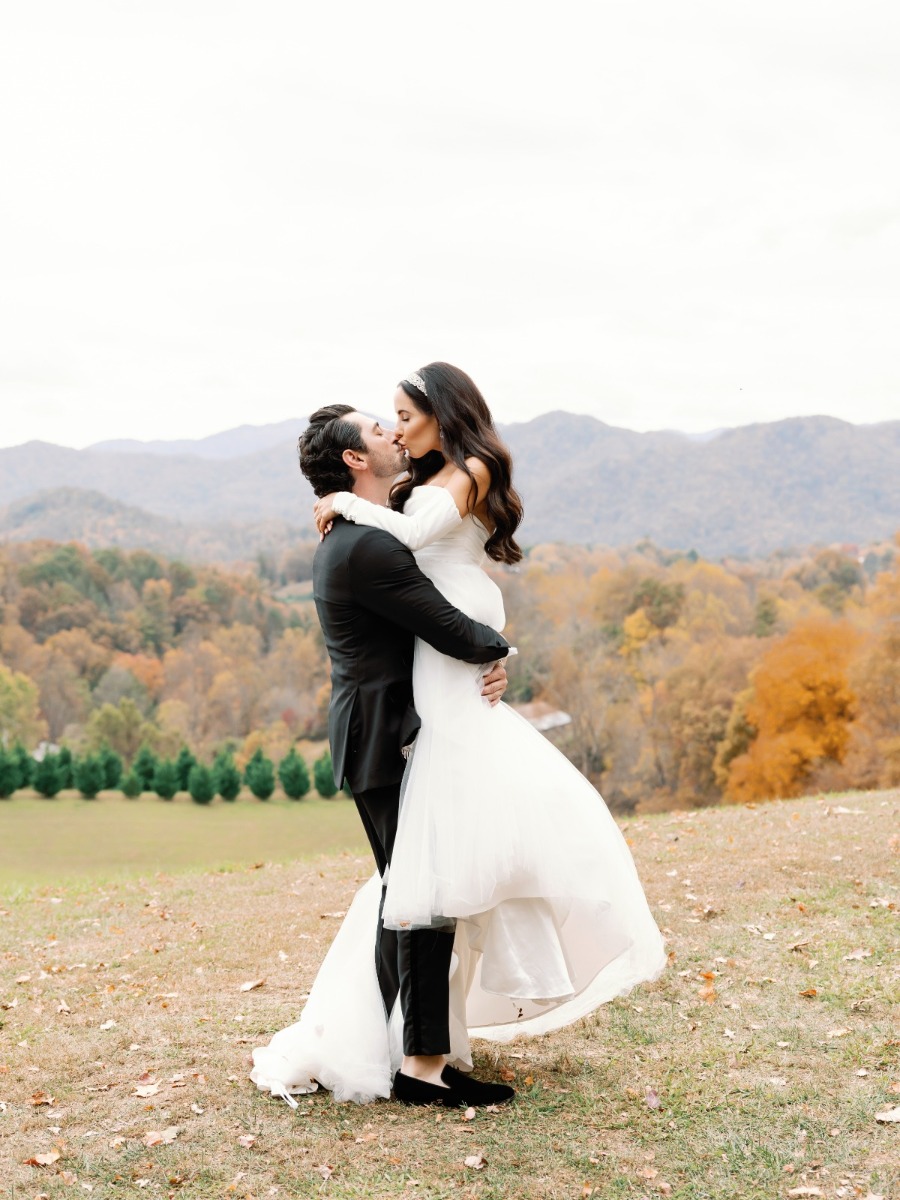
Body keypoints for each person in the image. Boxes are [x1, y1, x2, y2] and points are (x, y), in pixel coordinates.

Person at [251, 401, 516, 1108]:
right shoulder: (366, 546)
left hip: (386, 733)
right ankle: (418, 1068)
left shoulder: (360, 532)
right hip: (384, 737)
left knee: (416, 891)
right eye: (378, 429)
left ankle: (416, 1053)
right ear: (354, 462)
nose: (394, 433)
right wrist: (501, 652)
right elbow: (453, 630)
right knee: (420, 896)